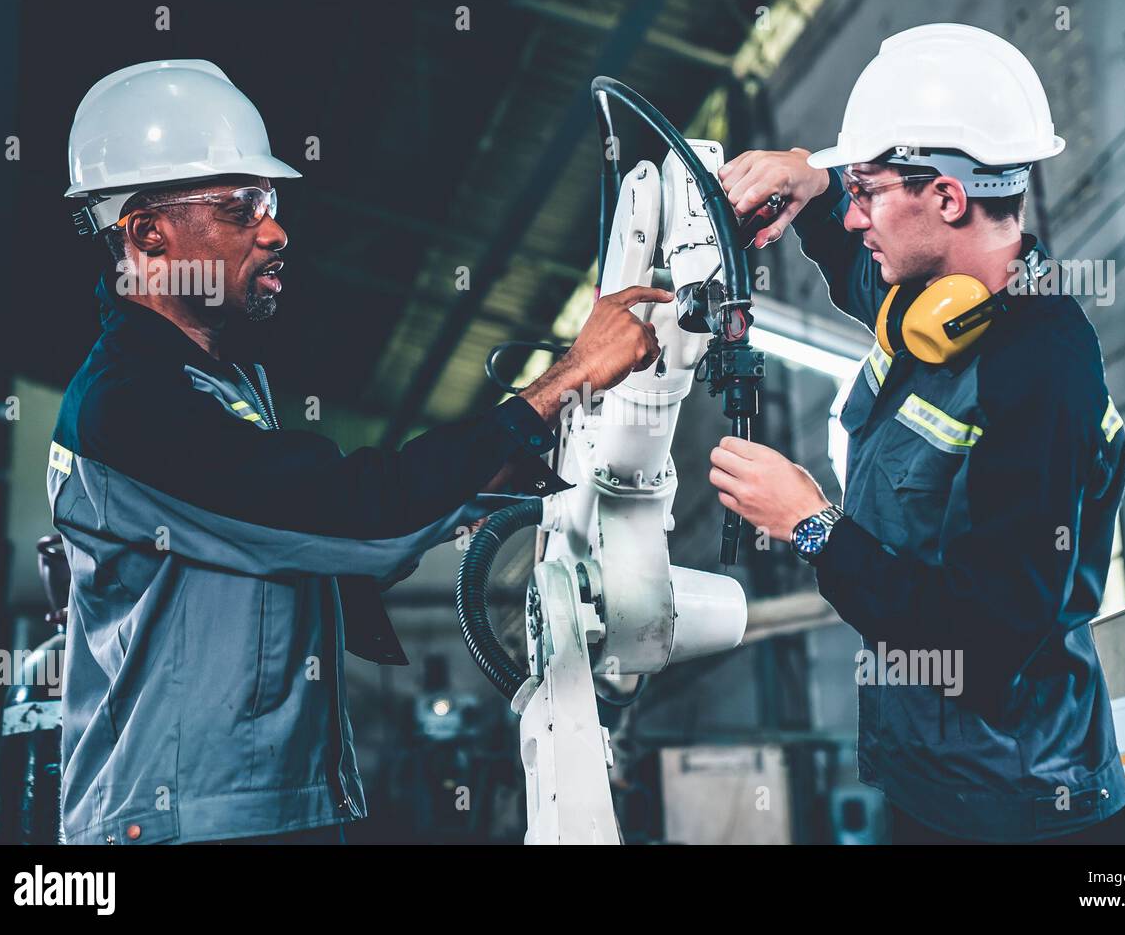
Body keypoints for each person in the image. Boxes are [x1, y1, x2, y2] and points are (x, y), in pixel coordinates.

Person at [51, 59, 667, 844]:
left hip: (263, 805)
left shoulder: (221, 382)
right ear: (146, 232)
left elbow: (314, 536)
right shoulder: (128, 406)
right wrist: (566, 378)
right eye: (241, 208)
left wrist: (492, 474)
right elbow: (355, 519)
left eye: (269, 203)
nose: (276, 231)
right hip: (185, 820)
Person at [708, 25, 1125, 843]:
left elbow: (983, 641)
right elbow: (853, 258)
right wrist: (815, 176)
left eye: (868, 192)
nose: (856, 215)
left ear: (945, 197)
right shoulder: (934, 305)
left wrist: (812, 523)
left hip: (1024, 812)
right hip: (928, 789)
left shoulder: (1041, 365)